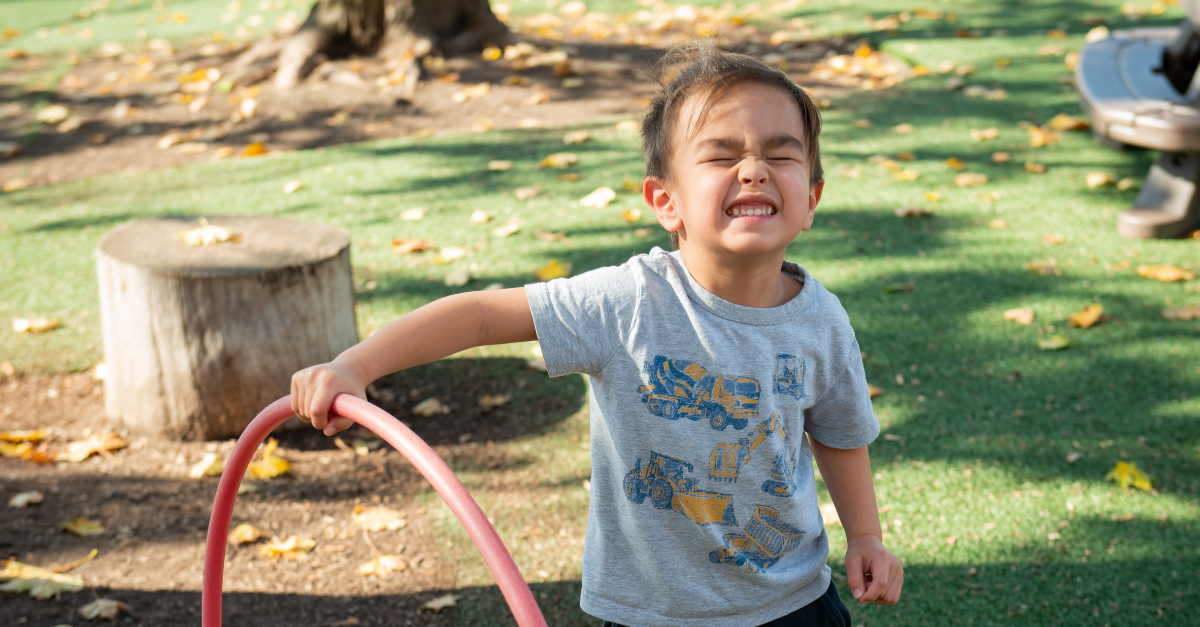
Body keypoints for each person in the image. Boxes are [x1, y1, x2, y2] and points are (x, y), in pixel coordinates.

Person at [291, 43, 902, 627]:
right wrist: (355, 366)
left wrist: (866, 536)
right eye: (721, 156)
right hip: (649, 614)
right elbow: (479, 315)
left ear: (812, 198)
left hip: (791, 606)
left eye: (781, 154)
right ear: (666, 201)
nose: (753, 170)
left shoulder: (820, 320)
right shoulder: (626, 302)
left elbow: (841, 432)